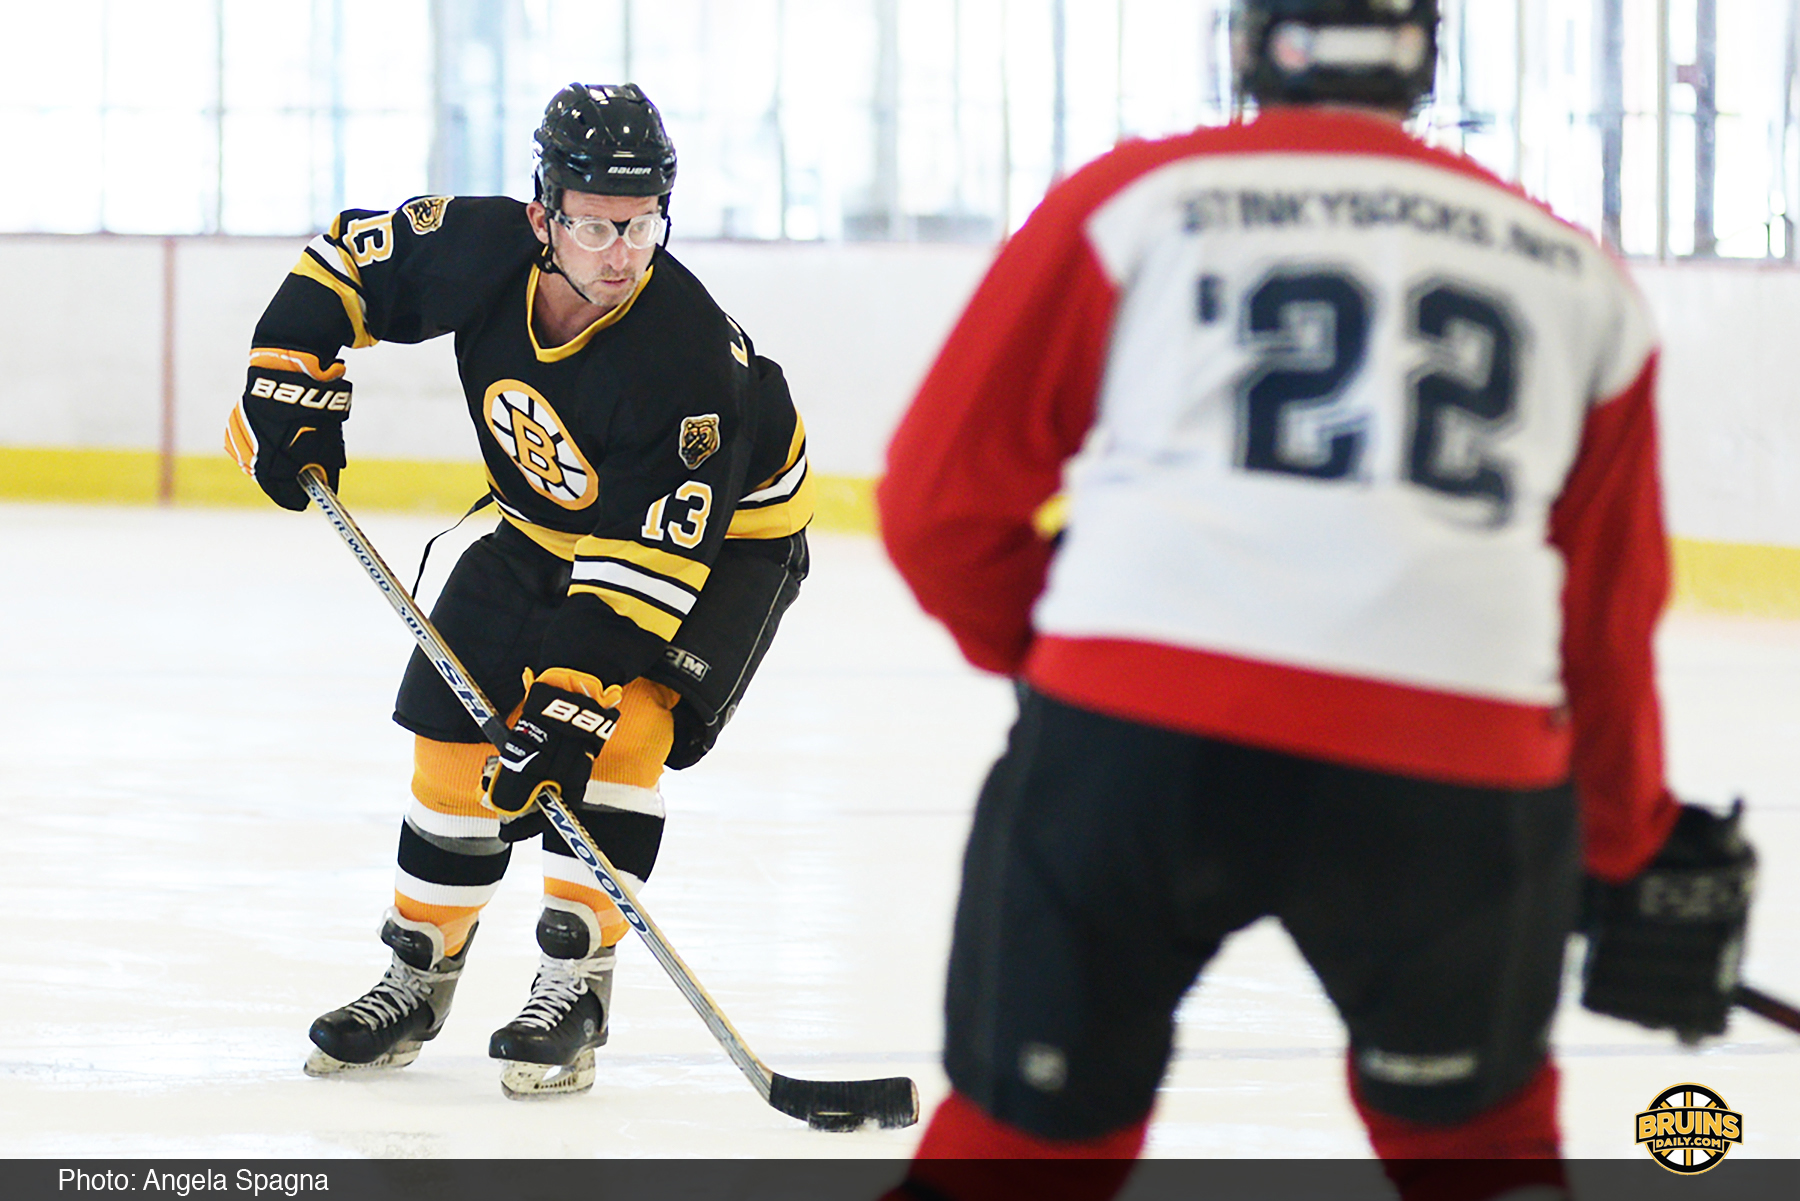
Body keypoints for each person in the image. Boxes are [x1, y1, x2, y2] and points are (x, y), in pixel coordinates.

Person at [877, 2, 1753, 1197]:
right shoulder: (1573, 270)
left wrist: (1074, 658)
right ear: (1425, 56)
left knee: (1021, 1152)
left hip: (1133, 757)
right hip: (1454, 774)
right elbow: (1605, 621)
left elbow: (938, 507)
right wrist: (1622, 836)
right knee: (1483, 1159)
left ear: (1247, 42)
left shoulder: (1138, 201)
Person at [225, 83, 813, 1099]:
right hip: (539, 525)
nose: (622, 252)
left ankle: (574, 983)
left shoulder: (686, 361)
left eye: (641, 226)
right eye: (593, 224)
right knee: (453, 738)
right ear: (543, 215)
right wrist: (287, 373)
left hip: (720, 547)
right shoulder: (479, 247)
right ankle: (417, 975)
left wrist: (571, 695)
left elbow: (646, 568)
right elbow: (342, 263)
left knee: (618, 732)